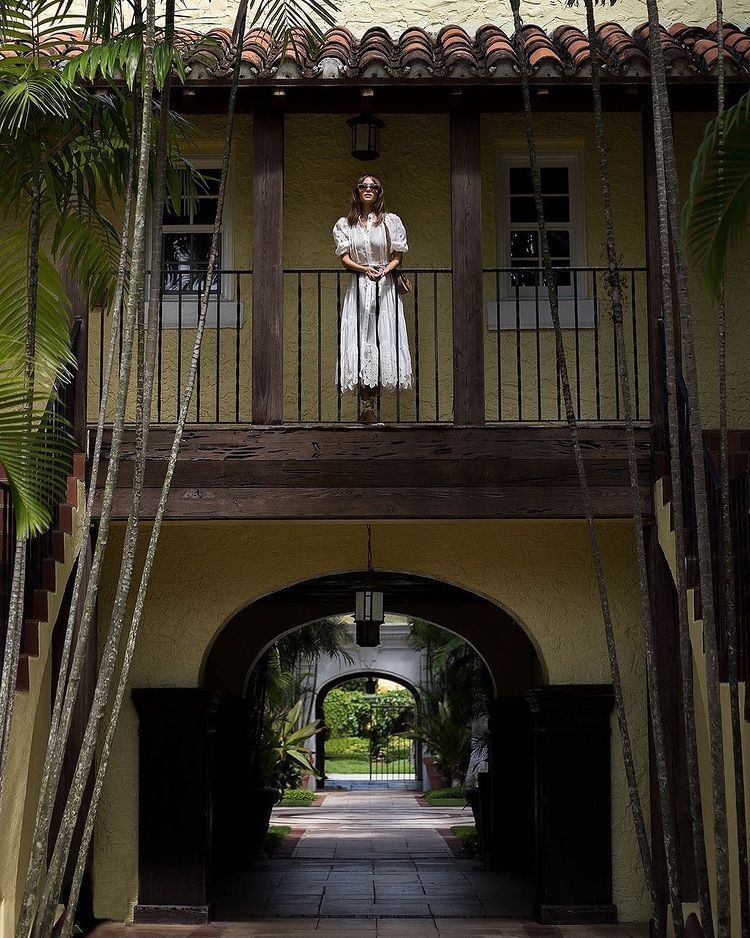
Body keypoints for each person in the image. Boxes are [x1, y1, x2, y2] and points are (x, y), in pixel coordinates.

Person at [333, 175, 413, 423]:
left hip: (384, 287)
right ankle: (366, 406)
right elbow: (344, 258)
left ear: (379, 192)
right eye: (363, 186)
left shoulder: (390, 221)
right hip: (359, 287)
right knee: (361, 340)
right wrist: (364, 269)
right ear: (357, 192)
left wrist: (385, 270)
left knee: (382, 339)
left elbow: (398, 255)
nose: (368, 189)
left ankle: (372, 404)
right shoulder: (346, 224)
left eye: (373, 186)